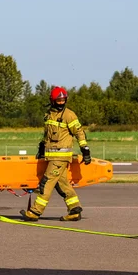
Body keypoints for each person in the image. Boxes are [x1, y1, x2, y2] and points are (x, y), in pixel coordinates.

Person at [19, 86, 90, 222]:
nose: (61, 103)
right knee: (62, 184)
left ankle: (35, 212)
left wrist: (85, 149)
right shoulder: (49, 115)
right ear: (52, 101)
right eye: (58, 101)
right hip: (51, 156)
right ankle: (74, 209)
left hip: (60, 157)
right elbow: (48, 135)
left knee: (46, 183)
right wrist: (42, 147)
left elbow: (79, 132)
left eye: (63, 100)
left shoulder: (69, 115)